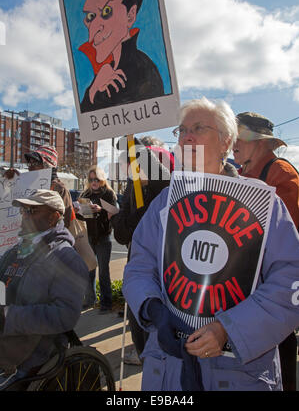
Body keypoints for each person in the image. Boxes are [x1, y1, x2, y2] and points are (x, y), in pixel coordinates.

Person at [122, 97, 299, 391]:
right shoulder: (163, 204)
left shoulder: (263, 203)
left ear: (226, 141)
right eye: (182, 130)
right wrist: (152, 306)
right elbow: (139, 266)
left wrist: (229, 330)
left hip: (240, 373)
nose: (187, 136)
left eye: (199, 127)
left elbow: (291, 280)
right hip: (169, 370)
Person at [233, 111, 299, 391]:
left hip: (272, 291)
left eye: (239, 137)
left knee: (279, 355)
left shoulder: (281, 174)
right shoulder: (239, 175)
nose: (232, 144)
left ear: (260, 142)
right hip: (246, 289)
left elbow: (286, 238)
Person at [0, 189, 89, 390]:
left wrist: (8, 317)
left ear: (53, 217)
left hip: (30, 354)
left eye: (32, 211)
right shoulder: (15, 251)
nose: (24, 215)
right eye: (23, 210)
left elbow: (65, 315)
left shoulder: (66, 259)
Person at [110, 137, 172, 365]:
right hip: (138, 269)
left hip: (166, 270)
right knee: (139, 325)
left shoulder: (165, 187)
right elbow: (121, 234)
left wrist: (131, 141)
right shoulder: (131, 188)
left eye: (143, 161)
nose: (136, 167)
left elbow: (160, 176)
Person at [79, 0, 164, 113]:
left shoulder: (143, 72)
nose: (95, 28)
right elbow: (91, 125)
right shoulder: (105, 73)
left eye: (106, 12)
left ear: (130, 15)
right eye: (90, 17)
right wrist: (92, 93)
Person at [76, 166, 117, 314]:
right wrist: (78, 211)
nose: (94, 182)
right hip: (89, 236)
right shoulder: (85, 194)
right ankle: (89, 300)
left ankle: (106, 302)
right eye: (91, 179)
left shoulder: (109, 194)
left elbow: (115, 212)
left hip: (103, 236)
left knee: (104, 272)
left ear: (102, 180)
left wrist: (101, 210)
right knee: (89, 270)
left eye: (97, 179)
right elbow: (82, 217)